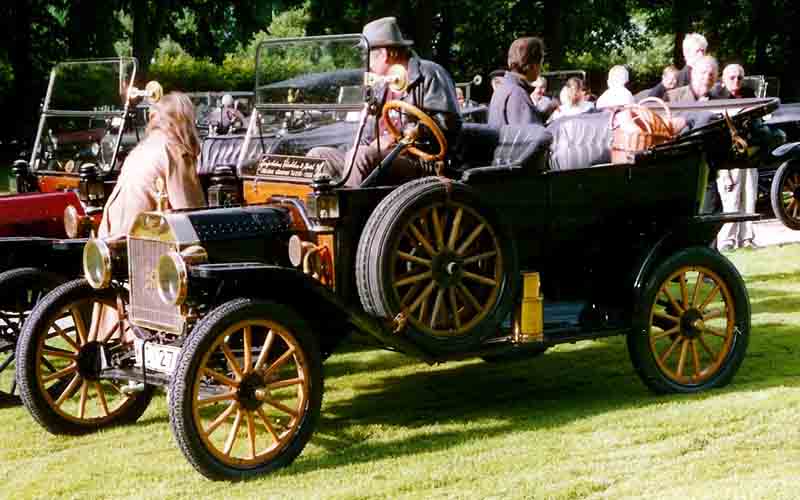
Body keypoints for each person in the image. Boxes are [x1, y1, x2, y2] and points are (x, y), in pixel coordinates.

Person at [308, 17, 461, 187]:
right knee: (318, 156)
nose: (367, 64)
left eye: (368, 56)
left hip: (418, 161)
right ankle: (315, 211)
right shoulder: (380, 82)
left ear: (385, 54)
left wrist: (400, 136)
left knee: (361, 155)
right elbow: (368, 133)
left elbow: (449, 123)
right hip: (378, 156)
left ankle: (350, 212)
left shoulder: (430, 73)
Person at [99, 91, 206, 238]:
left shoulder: (141, 149)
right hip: (138, 243)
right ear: (184, 120)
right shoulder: (174, 149)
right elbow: (189, 212)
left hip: (109, 236)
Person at [715, 63, 758, 250]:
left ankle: (747, 238)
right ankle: (727, 240)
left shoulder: (749, 95)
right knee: (730, 198)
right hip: (728, 156)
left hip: (748, 154)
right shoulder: (718, 99)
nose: (736, 81)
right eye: (731, 77)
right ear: (723, 80)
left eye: (739, 77)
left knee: (750, 196)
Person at [487, 36, 545, 127]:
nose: (541, 68)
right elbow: (529, 137)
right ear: (532, 65)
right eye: (541, 63)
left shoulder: (504, 88)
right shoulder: (517, 93)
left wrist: (545, 114)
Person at [650, 33, 708, 99]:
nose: (701, 54)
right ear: (686, 53)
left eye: (703, 50)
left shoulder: (708, 76)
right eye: (697, 51)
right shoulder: (676, 80)